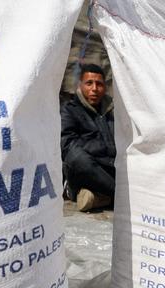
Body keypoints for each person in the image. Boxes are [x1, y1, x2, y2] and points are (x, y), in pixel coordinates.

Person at [61, 63, 115, 211]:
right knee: (77, 158)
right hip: (88, 168)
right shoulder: (69, 110)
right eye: (89, 83)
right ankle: (120, 196)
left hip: (111, 167)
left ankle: (98, 197)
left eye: (99, 84)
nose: (94, 89)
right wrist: (101, 149)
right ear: (80, 85)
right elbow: (67, 144)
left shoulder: (112, 110)